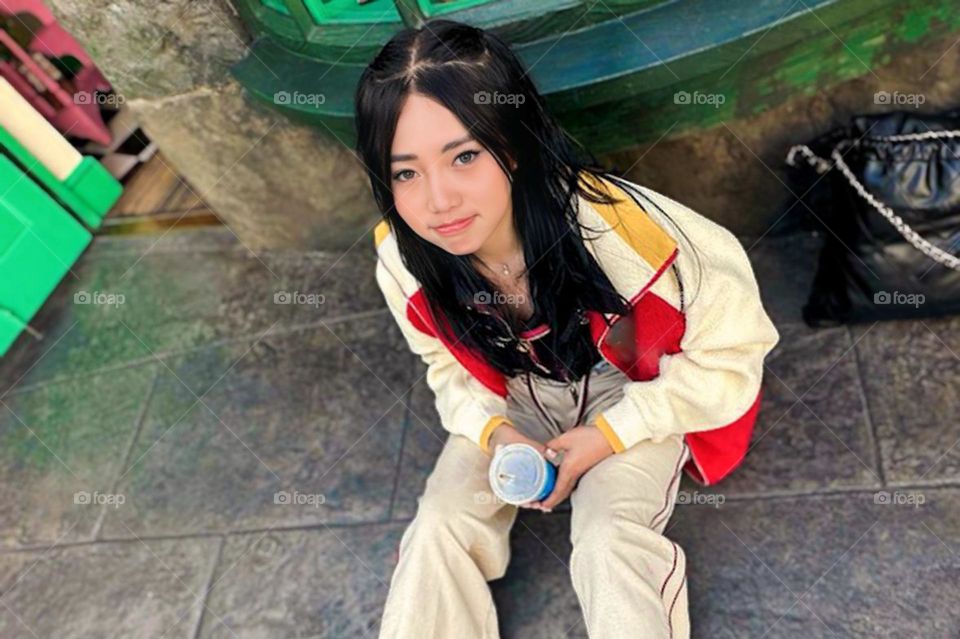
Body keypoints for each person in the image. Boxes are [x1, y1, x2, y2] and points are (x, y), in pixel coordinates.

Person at [354, 19, 780, 639]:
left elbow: (733, 353)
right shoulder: (400, 259)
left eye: (465, 156)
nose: (438, 200)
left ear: (513, 144)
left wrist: (610, 434)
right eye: (405, 173)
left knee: (608, 537)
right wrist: (493, 431)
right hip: (513, 396)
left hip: (629, 387)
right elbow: (442, 365)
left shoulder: (631, 235)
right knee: (437, 527)